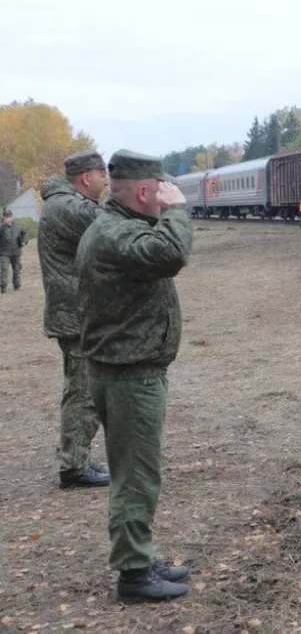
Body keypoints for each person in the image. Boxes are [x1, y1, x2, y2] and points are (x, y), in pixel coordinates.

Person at [76, 150, 193, 602]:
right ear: (144, 192)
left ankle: (139, 553)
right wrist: (178, 210)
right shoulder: (114, 233)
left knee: (137, 472)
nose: (165, 198)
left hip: (126, 369)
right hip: (128, 376)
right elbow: (172, 253)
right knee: (136, 477)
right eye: (161, 191)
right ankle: (134, 574)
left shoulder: (115, 226)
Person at [37, 151, 112, 488]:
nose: (106, 181)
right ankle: (75, 467)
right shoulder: (67, 207)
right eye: (102, 174)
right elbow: (111, 224)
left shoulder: (62, 204)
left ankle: (77, 461)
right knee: (82, 390)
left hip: (77, 311)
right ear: (86, 178)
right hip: (76, 314)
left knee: (84, 387)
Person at [0, 209, 28, 293]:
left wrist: (24, 241)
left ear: (12, 217)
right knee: (4, 269)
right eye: (6, 216)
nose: (8, 218)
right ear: (3, 217)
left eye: (9, 216)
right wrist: (4, 225)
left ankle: (17, 286)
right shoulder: (1, 227)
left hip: (16, 252)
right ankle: (3, 287)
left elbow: (25, 233)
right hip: (4, 253)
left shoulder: (18, 226)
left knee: (16, 270)